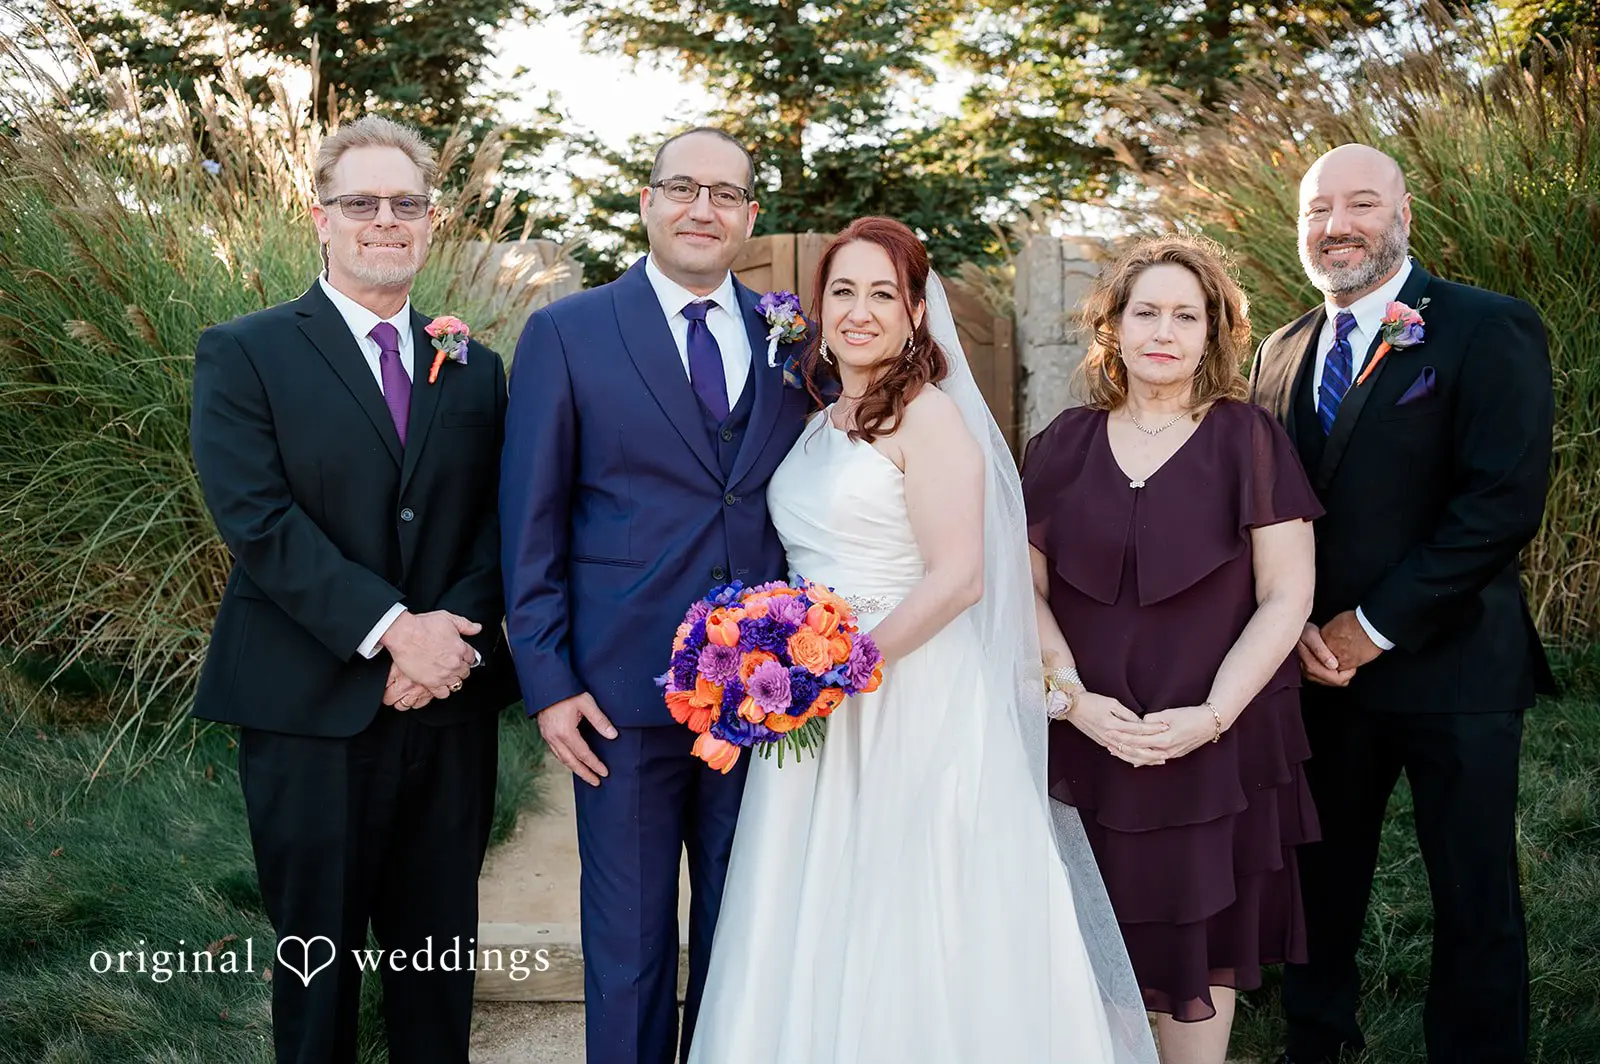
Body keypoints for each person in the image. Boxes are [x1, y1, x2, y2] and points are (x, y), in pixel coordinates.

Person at [688, 217, 1159, 1064]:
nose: (859, 311)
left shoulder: (929, 417)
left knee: (914, 908)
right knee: (814, 904)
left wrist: (842, 670)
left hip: (908, 693)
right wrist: (778, 660)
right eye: (842, 291)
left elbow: (959, 579)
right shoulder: (820, 416)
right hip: (812, 701)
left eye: (882, 294)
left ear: (914, 313)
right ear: (819, 307)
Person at [189, 115, 516, 1063]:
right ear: (320, 218)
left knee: (436, 975)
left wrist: (447, 640)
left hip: (447, 707)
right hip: (309, 706)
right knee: (317, 977)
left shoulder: (475, 367)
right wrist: (393, 630)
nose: (386, 220)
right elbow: (257, 519)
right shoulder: (245, 351)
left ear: (430, 221)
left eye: (406, 203)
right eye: (362, 202)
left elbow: (503, 520)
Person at [500, 127, 812, 1064]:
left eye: (726, 194)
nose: (702, 209)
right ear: (647, 202)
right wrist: (549, 683)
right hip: (618, 696)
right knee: (628, 947)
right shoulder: (568, 332)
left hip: (764, 695)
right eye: (683, 188)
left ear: (750, 217)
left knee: (743, 934)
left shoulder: (793, 336)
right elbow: (529, 523)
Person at [1250, 143, 1555, 1064]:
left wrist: (1374, 626)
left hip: (1454, 667)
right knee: (1318, 880)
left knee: (1474, 891)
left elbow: (1500, 504)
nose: (1336, 225)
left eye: (1361, 204)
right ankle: (1317, 1042)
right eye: (1317, 209)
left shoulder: (1485, 326)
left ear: (1405, 215)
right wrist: (1288, 628)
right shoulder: (1279, 350)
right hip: (1316, 673)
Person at [1021, 235, 1322, 1064]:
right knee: (1078, 940)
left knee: (1199, 947)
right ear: (1113, 326)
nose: (1164, 331)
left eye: (1186, 316)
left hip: (1209, 744)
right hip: (1085, 739)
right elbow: (1025, 591)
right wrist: (1073, 702)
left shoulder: (1249, 439)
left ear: (1213, 332)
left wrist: (1212, 717)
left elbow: (1287, 594)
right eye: (1146, 311)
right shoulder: (1061, 444)